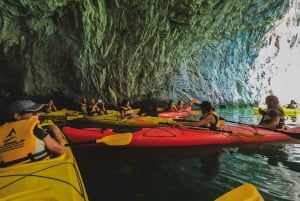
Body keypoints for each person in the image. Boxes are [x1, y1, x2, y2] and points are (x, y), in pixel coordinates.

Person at [0, 100, 65, 167]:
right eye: (34, 113)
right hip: (38, 169)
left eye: (37, 112)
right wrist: (55, 130)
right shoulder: (36, 130)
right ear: (17, 116)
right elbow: (60, 149)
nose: (38, 114)